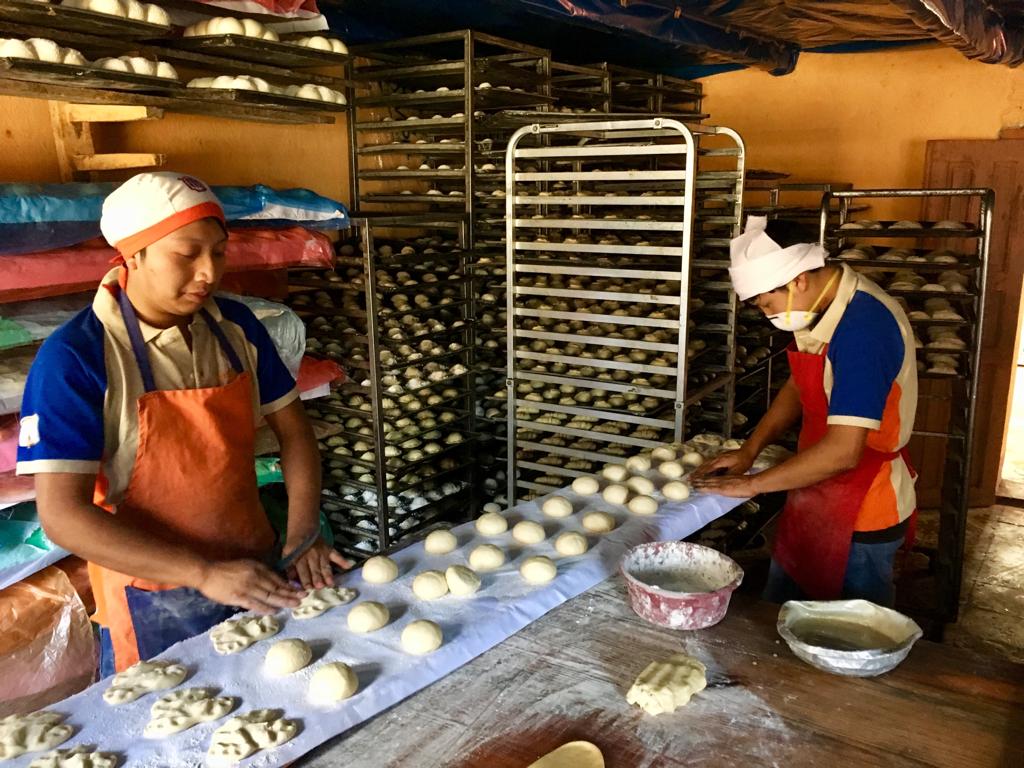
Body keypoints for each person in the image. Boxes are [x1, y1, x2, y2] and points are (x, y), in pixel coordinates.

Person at [16, 172, 347, 673]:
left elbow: (294, 431)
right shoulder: (76, 357)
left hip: (256, 566)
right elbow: (63, 515)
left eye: (218, 251)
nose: (208, 272)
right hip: (154, 597)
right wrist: (202, 572)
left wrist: (302, 533)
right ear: (133, 254)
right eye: (186, 254)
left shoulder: (236, 327)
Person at [692, 216, 917, 607]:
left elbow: (845, 452)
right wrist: (750, 451)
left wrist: (752, 484)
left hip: (863, 508)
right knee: (787, 616)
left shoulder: (863, 328)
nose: (767, 314)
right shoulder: (821, 305)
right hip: (812, 484)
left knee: (849, 637)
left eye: (766, 303)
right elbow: (802, 383)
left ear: (798, 280)